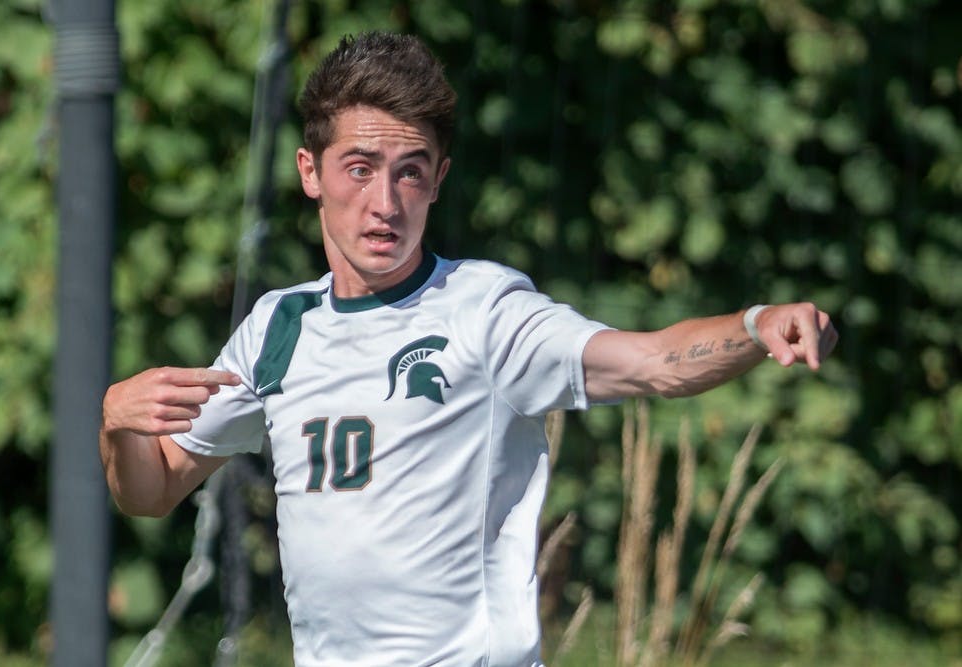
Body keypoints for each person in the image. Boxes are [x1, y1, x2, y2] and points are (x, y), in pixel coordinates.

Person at [100, 31, 838, 667]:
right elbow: (152, 489)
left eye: (410, 171)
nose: (386, 202)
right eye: (359, 168)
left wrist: (753, 324)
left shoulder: (483, 310)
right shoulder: (278, 326)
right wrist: (118, 423)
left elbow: (648, 362)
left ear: (438, 180)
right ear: (310, 172)